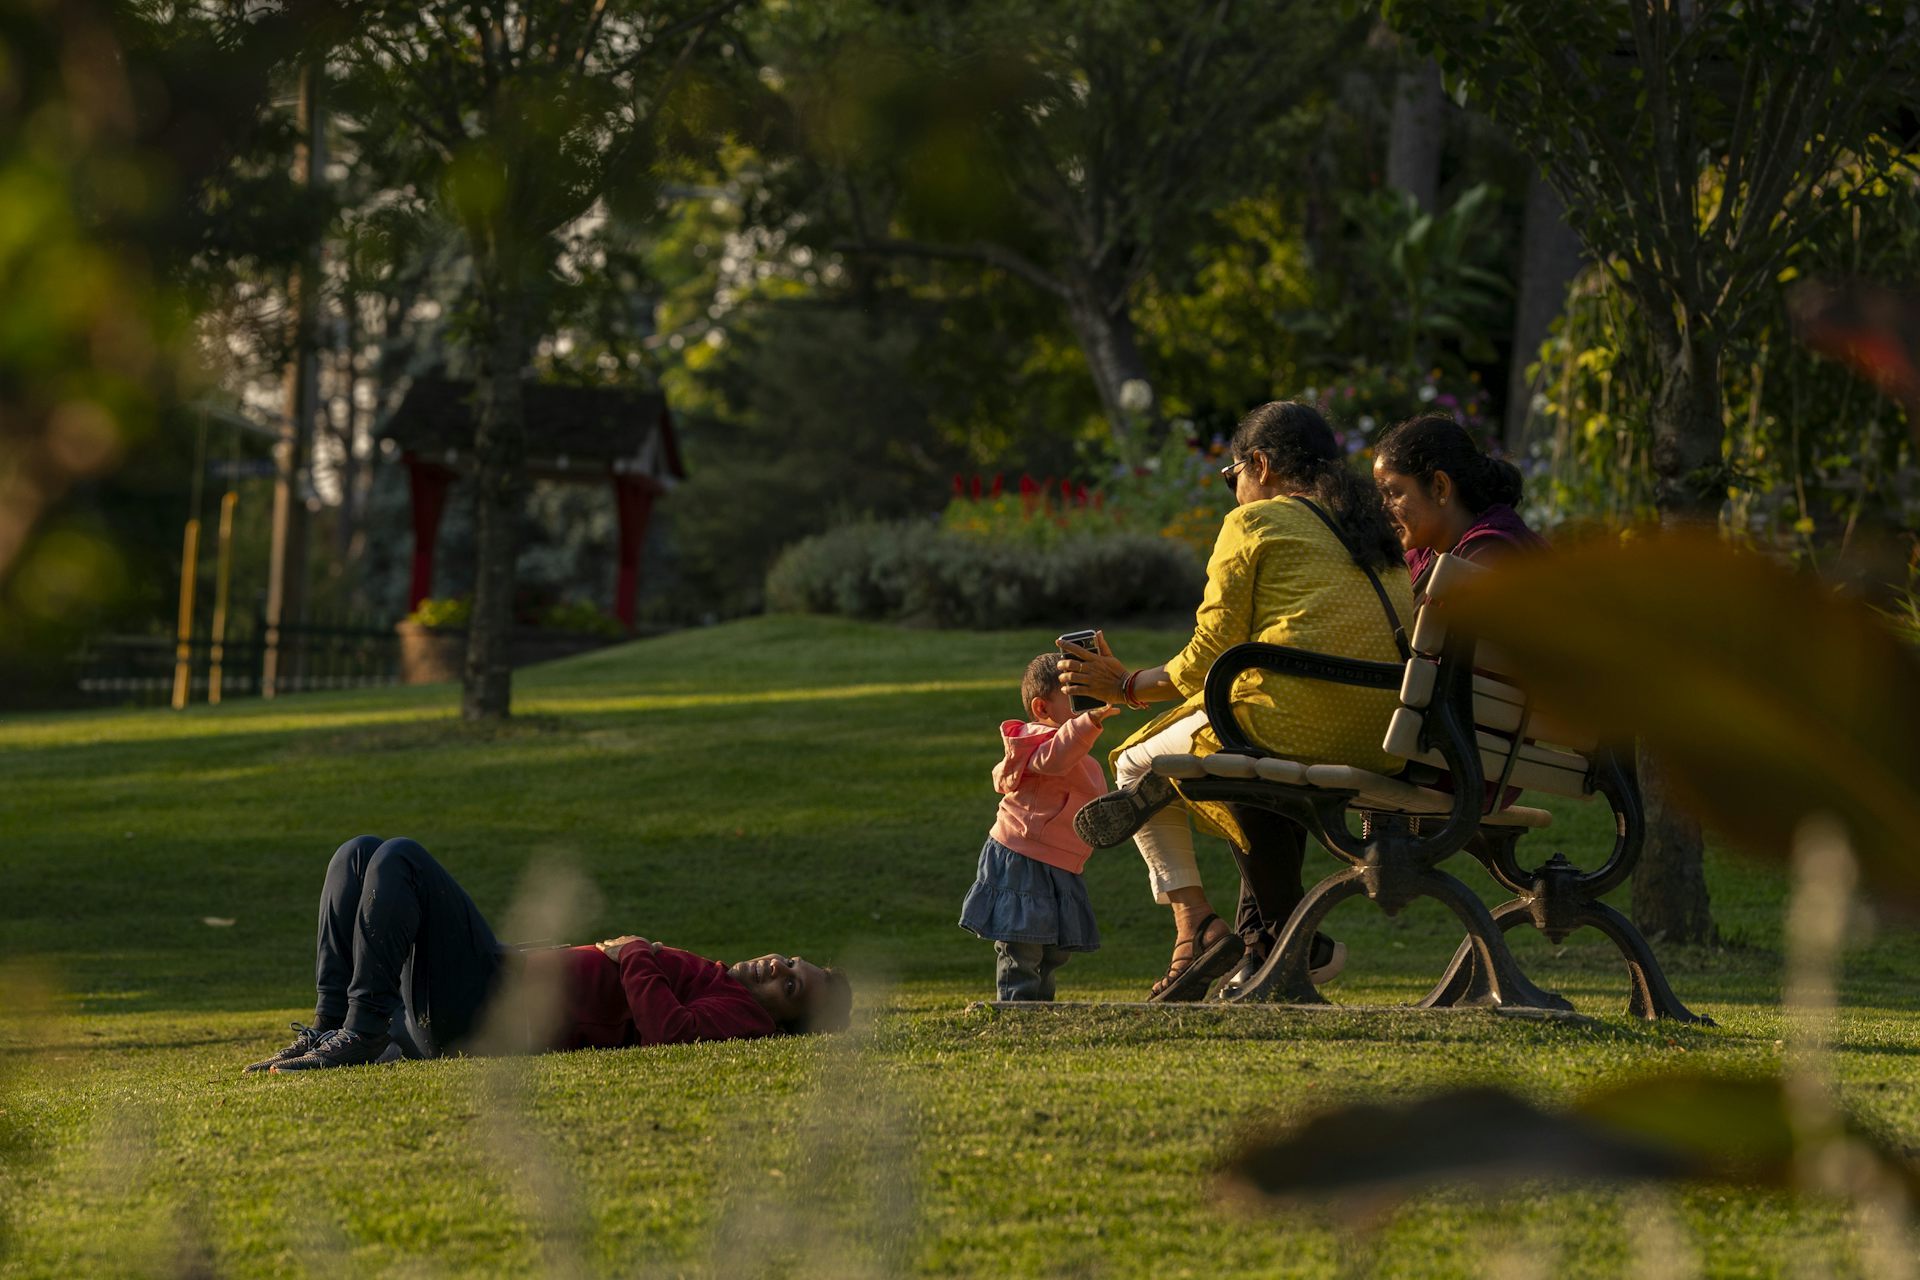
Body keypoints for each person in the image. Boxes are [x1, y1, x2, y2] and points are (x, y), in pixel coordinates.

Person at [1061, 401, 1414, 1001]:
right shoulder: (1370, 532)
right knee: (1247, 759)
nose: (1234, 493)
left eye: (1233, 478)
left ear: (1261, 464)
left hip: (1287, 724)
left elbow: (1207, 657)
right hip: (1384, 732)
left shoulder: (1255, 524)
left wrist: (1125, 686)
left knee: (1135, 761)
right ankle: (1264, 946)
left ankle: (1196, 927)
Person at [245, 835, 854, 1073]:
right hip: (489, 984)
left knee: (399, 860)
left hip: (493, 1007)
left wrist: (637, 951)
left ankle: (361, 1031)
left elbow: (672, 1035)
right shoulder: (720, 981)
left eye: (789, 987)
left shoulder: (741, 1017)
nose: (776, 968)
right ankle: (331, 1031)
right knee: (359, 855)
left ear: (779, 1022)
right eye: (790, 962)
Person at [958, 653, 1120, 1001]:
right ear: (1043, 709)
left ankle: (1040, 1009)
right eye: (1076, 701)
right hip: (1022, 854)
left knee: (1053, 949)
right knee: (1024, 944)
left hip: (1059, 861)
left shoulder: (1081, 757)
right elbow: (1054, 759)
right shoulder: (1035, 740)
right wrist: (1088, 721)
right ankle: (1017, 1009)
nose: (1084, 709)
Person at [1370, 413, 1545, 594]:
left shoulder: (1490, 556)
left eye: (1394, 493)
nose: (1384, 510)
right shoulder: (1419, 557)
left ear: (1440, 488)